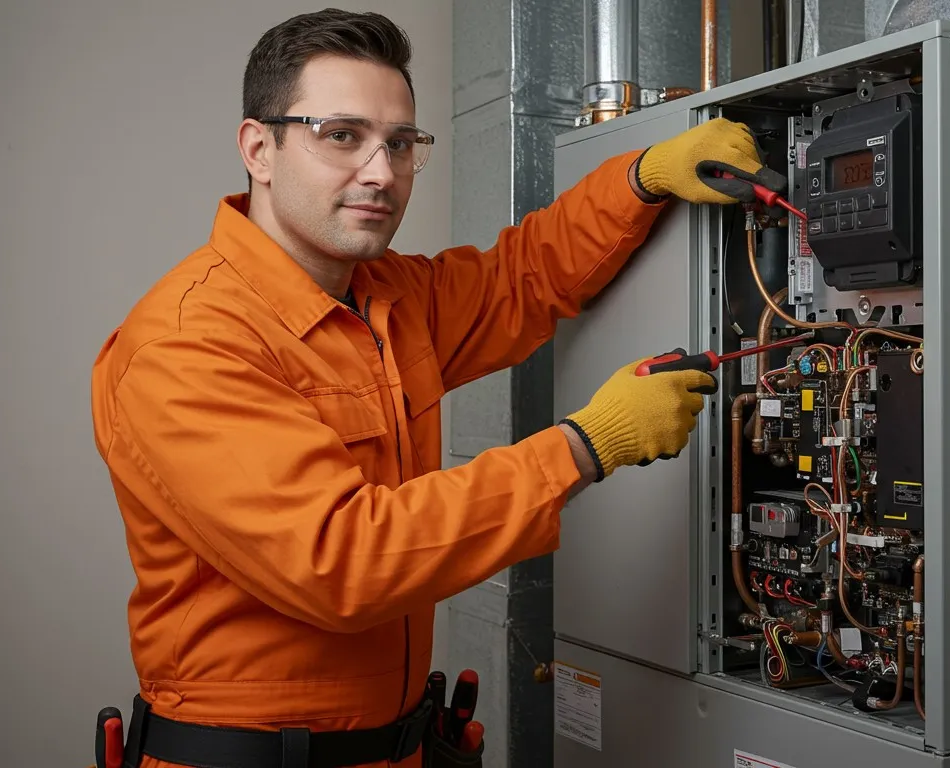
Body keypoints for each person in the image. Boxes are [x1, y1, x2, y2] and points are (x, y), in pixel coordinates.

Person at [89, 8, 785, 768]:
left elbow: (524, 277)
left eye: (400, 143)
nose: (381, 172)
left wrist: (643, 177)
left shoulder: (386, 295)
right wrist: (585, 446)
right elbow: (344, 560)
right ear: (260, 148)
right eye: (342, 136)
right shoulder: (189, 342)